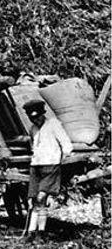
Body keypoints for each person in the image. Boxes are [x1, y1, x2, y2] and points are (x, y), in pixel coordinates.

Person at [23, 99, 73, 239]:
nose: (36, 120)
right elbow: (33, 146)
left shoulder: (53, 124)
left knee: (41, 197)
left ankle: (41, 232)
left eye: (37, 117)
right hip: (36, 166)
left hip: (50, 165)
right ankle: (32, 232)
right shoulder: (33, 129)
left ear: (42, 114)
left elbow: (66, 143)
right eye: (32, 118)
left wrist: (63, 158)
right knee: (33, 200)